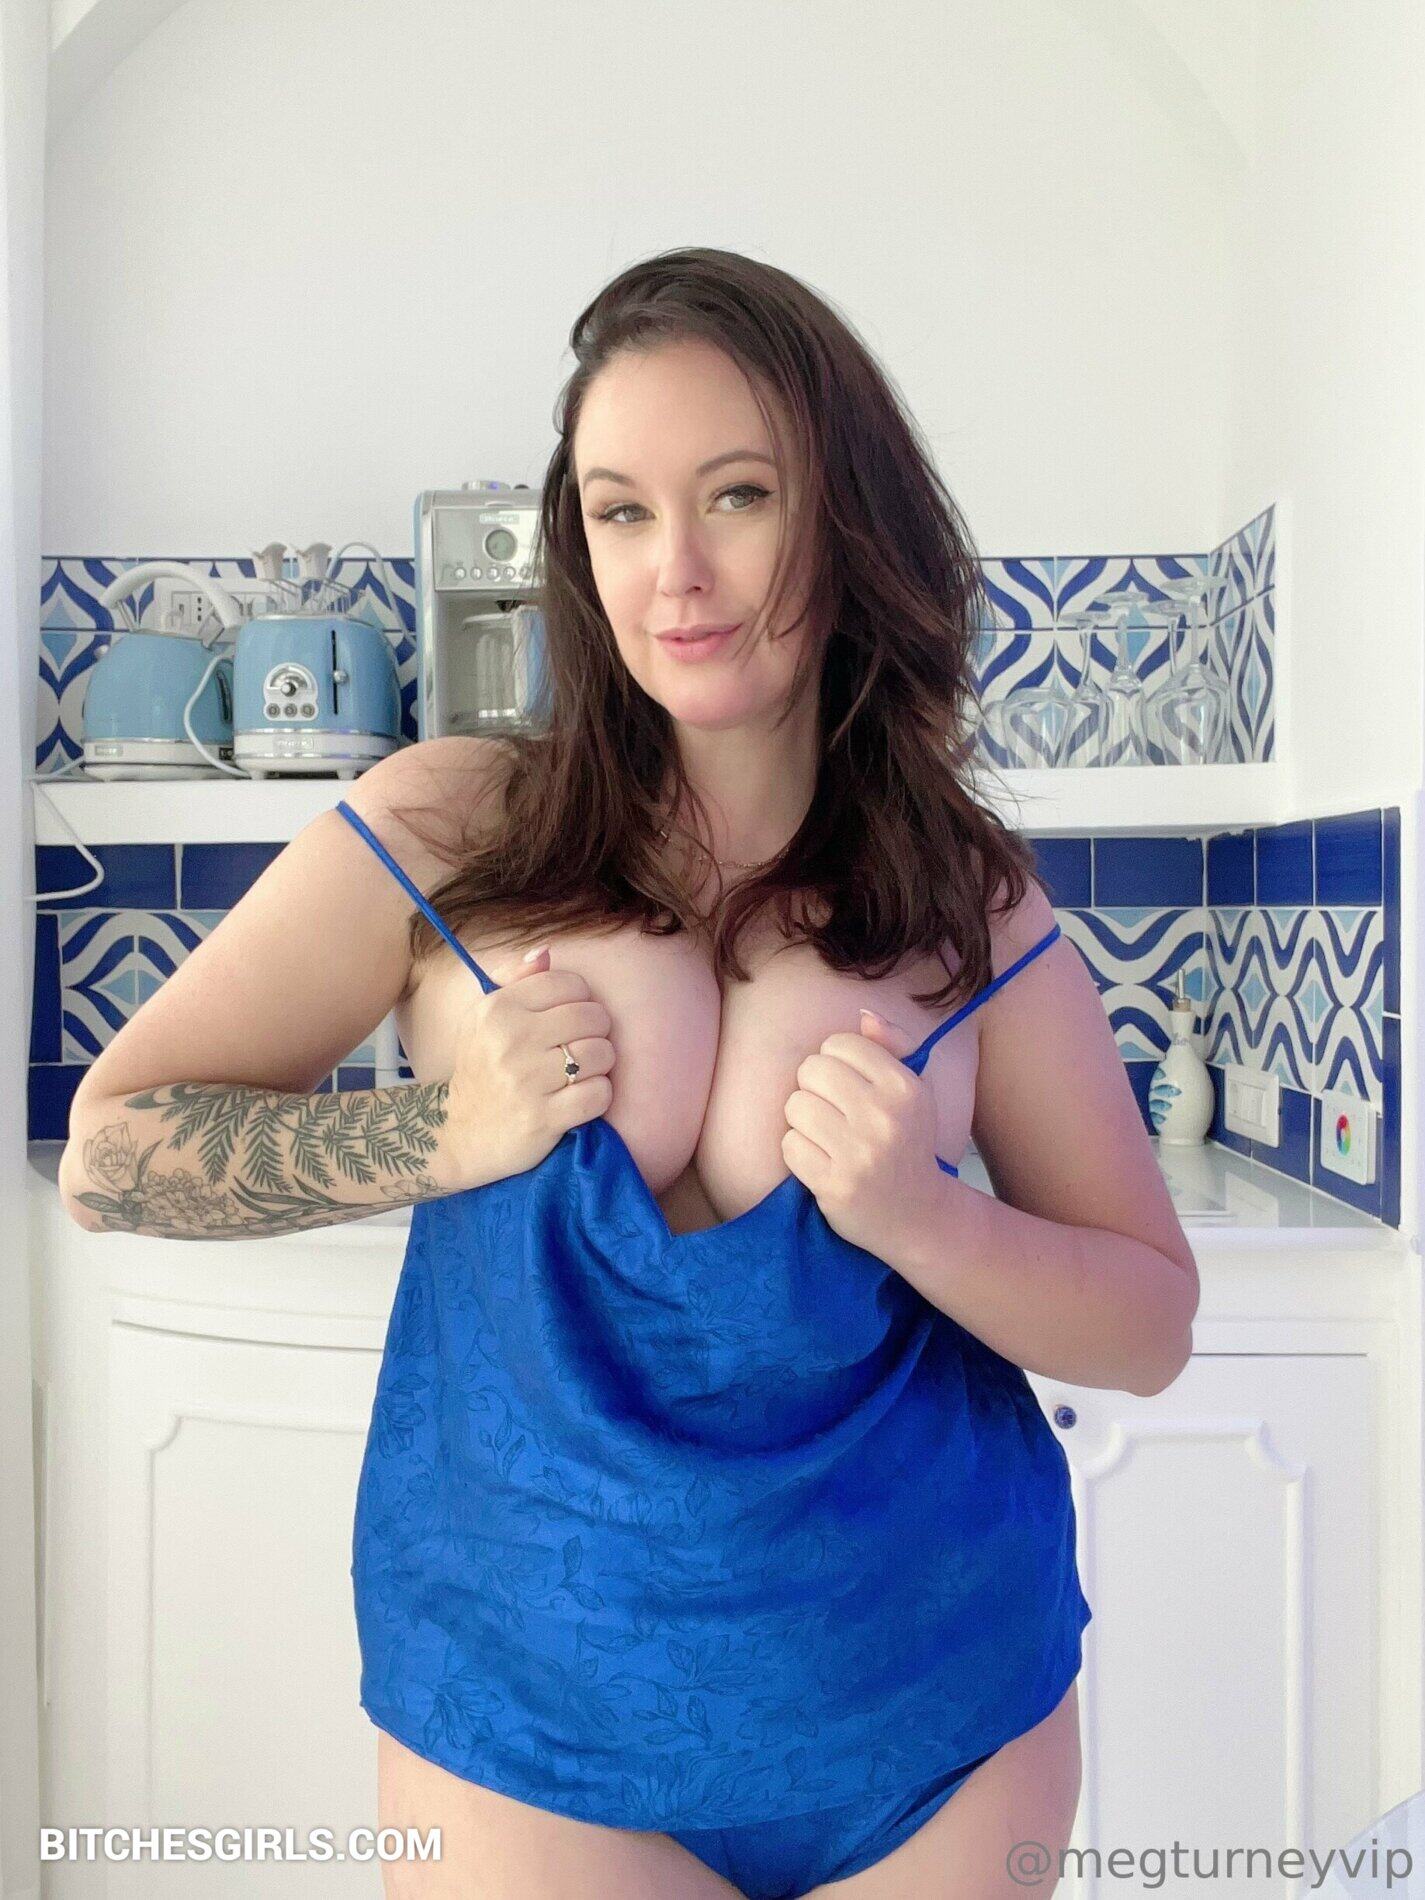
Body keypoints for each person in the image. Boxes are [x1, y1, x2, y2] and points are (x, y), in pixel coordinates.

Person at [61, 247, 1198, 1898]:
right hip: (529, 1722)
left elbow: (1149, 1323)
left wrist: (927, 1220)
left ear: (848, 514)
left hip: (938, 1708)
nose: (676, 571)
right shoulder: (447, 825)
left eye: (738, 495)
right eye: (619, 511)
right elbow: (111, 1157)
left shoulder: (970, 896)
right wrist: (438, 1131)